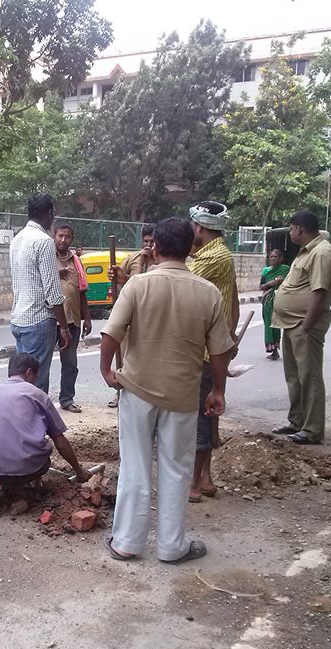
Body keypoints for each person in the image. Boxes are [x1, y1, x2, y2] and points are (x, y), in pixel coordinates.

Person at [100, 217, 234, 563]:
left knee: (135, 464)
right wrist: (217, 390)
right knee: (176, 467)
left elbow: (111, 333)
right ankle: (172, 547)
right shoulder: (208, 292)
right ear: (191, 248)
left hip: (138, 391)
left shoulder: (137, 285)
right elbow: (220, 350)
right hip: (183, 395)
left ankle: (126, 542)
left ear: (155, 247)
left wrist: (107, 371)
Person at [0, 352, 91, 508]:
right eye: (36, 377)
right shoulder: (39, 395)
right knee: (43, 452)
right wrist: (78, 470)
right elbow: (60, 441)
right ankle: (23, 485)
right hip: (33, 469)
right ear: (29, 372)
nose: (35, 381)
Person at [271, 210, 331, 445]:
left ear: (300, 228)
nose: (290, 233)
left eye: (291, 229)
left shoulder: (321, 252)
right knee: (294, 377)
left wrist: (308, 325)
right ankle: (296, 421)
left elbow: (319, 292)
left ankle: (312, 430)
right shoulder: (306, 251)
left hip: (304, 325)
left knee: (309, 377)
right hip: (291, 323)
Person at [186, 201, 239, 503]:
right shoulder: (219, 254)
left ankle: (194, 483)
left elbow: (181, 280)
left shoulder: (212, 258)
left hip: (205, 352)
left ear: (199, 227)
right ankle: (205, 478)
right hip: (215, 348)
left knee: (200, 416)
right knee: (208, 413)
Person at [9, 193, 71, 395]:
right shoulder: (44, 241)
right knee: (36, 381)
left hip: (19, 319)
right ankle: (34, 424)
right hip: (38, 321)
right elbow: (52, 292)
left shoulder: (17, 239)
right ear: (49, 213)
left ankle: (19, 421)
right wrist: (63, 327)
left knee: (20, 381)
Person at [106, 223, 156, 408]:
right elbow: (122, 282)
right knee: (126, 358)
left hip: (152, 320)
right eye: (146, 241)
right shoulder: (133, 258)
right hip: (131, 320)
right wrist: (116, 276)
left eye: (152, 241)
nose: (149, 245)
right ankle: (122, 394)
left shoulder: (162, 261)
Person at [54, 223, 92, 413]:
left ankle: (67, 399)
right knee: (39, 362)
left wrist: (87, 318)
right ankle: (35, 401)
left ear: (71, 239)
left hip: (72, 320)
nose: (63, 240)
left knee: (70, 363)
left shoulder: (76, 261)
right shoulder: (47, 258)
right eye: (60, 236)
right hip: (50, 320)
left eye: (67, 237)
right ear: (54, 236)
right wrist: (56, 273)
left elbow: (82, 291)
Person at [260, 249, 290, 360]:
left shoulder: (286, 269)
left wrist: (281, 282)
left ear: (281, 258)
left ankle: (275, 349)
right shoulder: (265, 271)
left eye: (275, 257)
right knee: (268, 322)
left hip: (279, 298)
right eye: (271, 257)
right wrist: (270, 283)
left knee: (276, 322)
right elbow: (261, 286)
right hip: (268, 299)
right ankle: (272, 349)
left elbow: (290, 283)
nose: (272, 259)